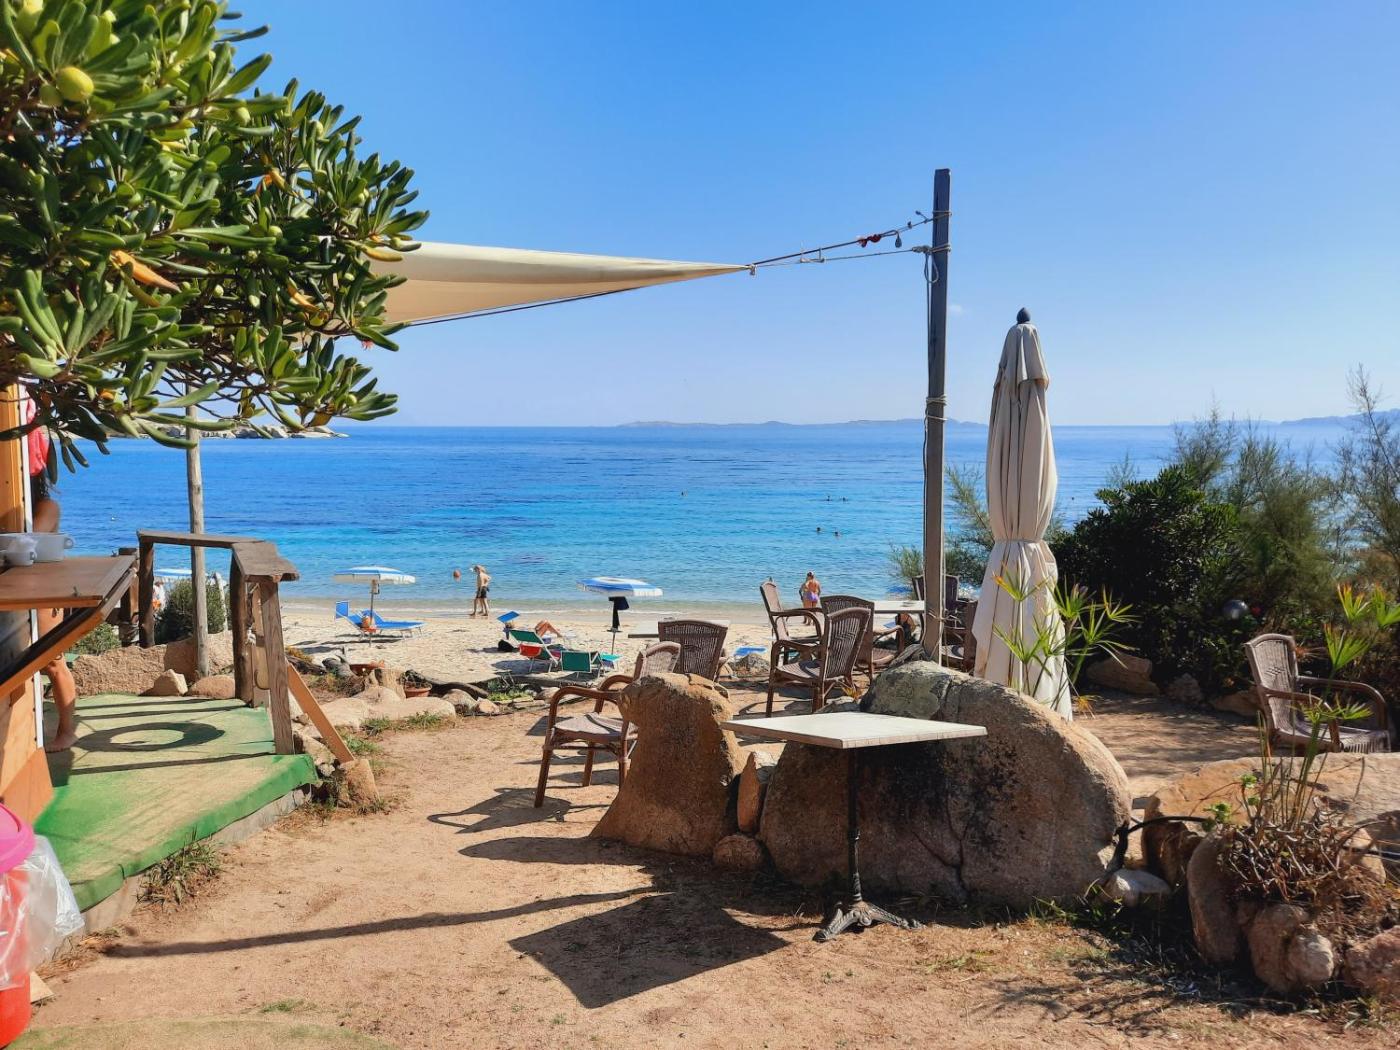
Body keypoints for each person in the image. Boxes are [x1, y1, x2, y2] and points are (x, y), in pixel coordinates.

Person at [26, 421, 78, 752]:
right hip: (21, 591)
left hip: (44, 592)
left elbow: (31, 540)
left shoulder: (47, 507)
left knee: (52, 662)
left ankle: (67, 730)